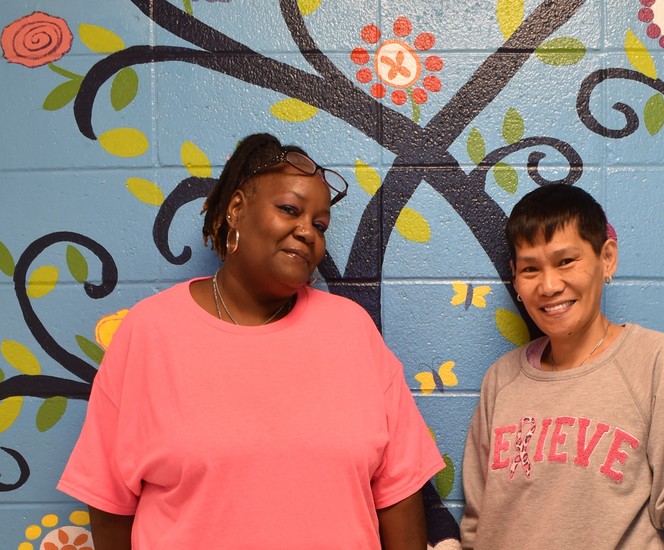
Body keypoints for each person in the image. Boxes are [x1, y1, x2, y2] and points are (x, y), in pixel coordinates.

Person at [58, 133, 444, 549]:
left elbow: (399, 494)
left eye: (320, 225)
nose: (308, 232)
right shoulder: (149, 332)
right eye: (289, 210)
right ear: (237, 208)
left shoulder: (353, 331)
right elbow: (110, 504)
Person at [460, 184, 664, 549]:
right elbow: (478, 521)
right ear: (515, 277)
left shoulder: (656, 361)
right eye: (531, 268)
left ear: (607, 258)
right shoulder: (501, 379)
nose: (549, 285)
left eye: (565, 261)